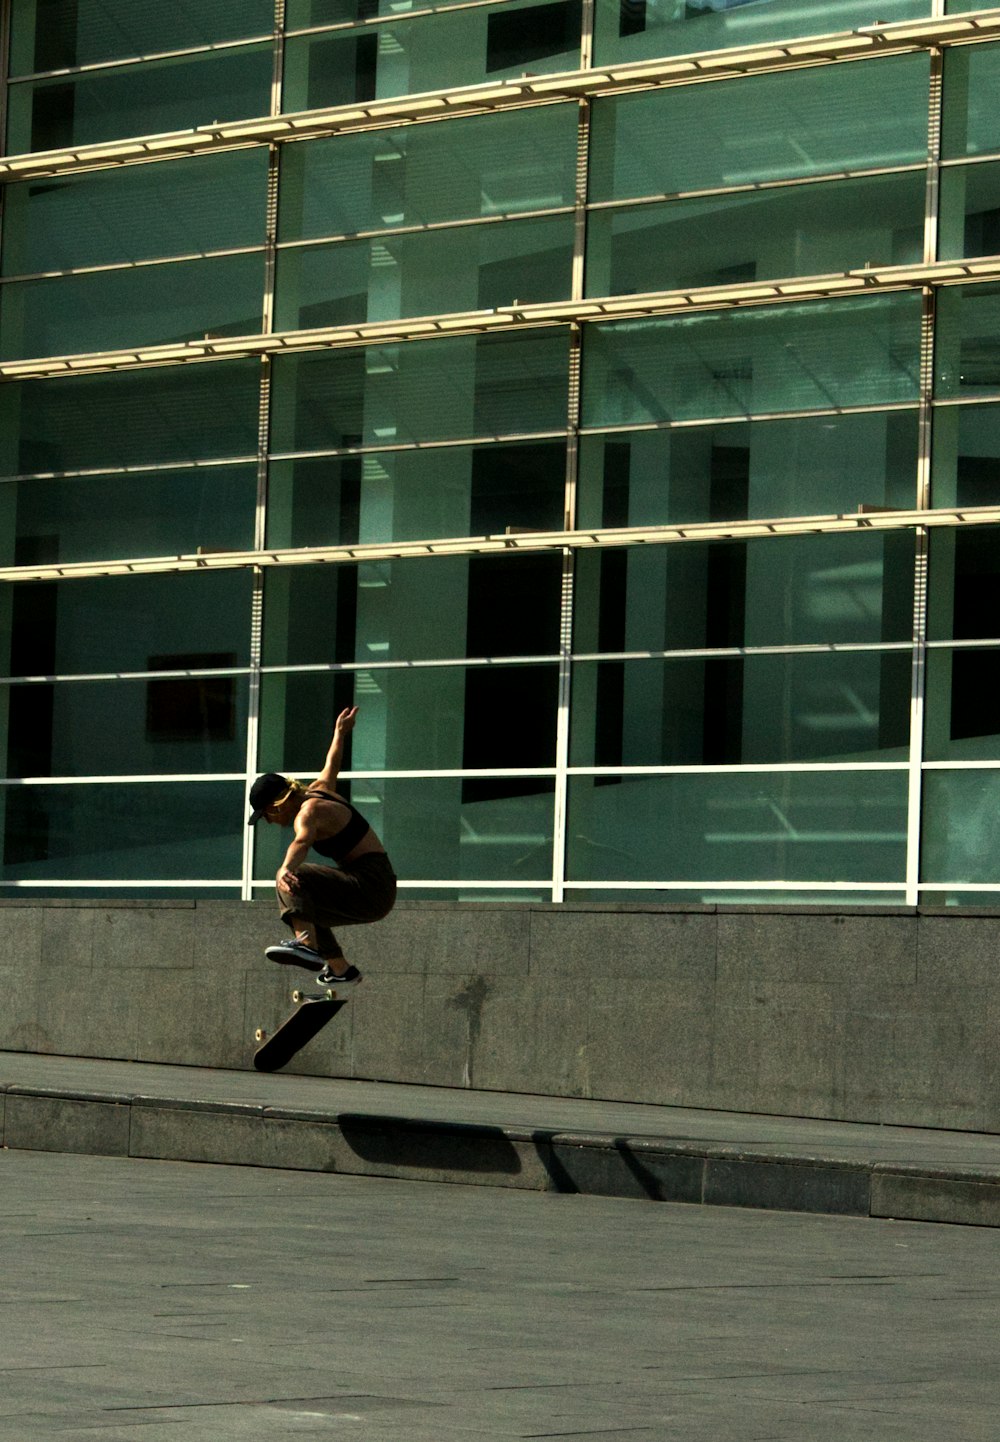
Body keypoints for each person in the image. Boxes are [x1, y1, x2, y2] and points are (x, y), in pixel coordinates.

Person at [247, 707, 396, 988]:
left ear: (276, 804)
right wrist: (339, 733)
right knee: (306, 905)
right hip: (376, 886)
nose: (269, 821)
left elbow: (301, 841)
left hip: (371, 884)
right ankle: (341, 970)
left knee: (294, 880)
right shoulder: (320, 789)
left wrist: (285, 869)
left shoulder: (308, 812)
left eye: (267, 815)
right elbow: (332, 764)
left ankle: (306, 945)